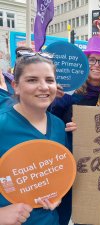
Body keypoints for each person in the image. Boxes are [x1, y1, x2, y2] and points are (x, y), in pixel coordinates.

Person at [50, 36, 100, 225]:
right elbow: (50, 121)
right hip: (70, 159)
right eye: (91, 60)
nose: (96, 65)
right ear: (84, 64)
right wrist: (65, 127)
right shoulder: (68, 93)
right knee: (66, 208)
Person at [0, 51, 65, 224]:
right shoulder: (2, 124)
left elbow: (58, 171)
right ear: (15, 86)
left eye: (49, 80)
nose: (43, 87)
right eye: (32, 80)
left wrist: (58, 193)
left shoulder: (59, 126)